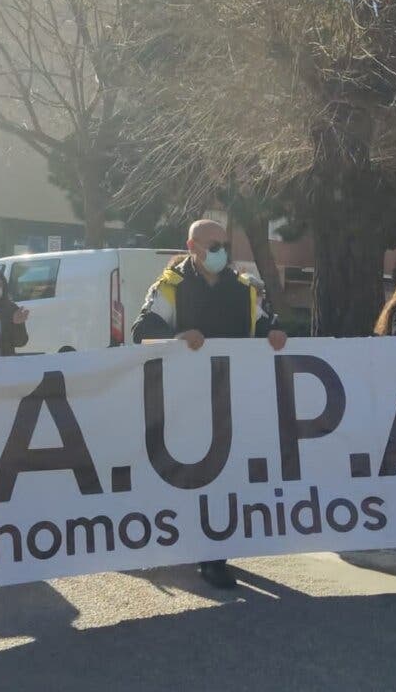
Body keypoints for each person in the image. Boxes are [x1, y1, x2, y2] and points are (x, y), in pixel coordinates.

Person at [132, 219, 288, 589]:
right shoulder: (170, 287)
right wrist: (178, 336)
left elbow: (265, 325)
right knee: (191, 476)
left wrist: (277, 333)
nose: (219, 251)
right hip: (184, 397)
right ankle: (191, 546)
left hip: (232, 394)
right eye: (211, 244)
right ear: (191, 245)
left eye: (223, 244)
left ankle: (214, 554)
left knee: (224, 477)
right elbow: (142, 331)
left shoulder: (245, 288)